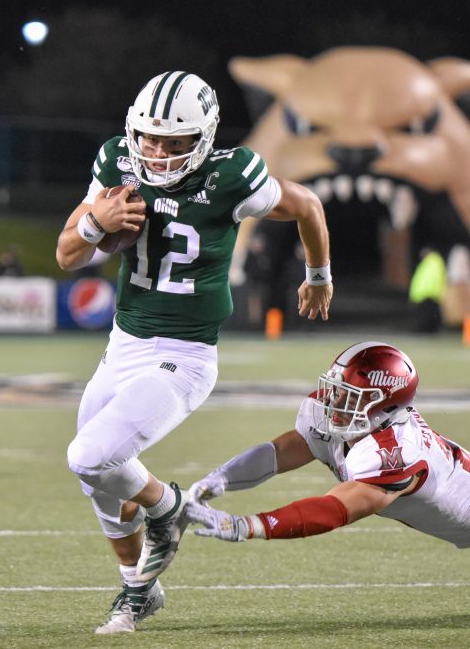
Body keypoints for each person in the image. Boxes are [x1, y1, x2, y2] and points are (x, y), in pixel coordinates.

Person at [55, 71, 332, 634]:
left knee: (88, 456)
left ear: (202, 139)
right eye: (149, 138)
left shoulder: (233, 175)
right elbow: (66, 257)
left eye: (175, 142)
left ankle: (167, 507)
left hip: (184, 355)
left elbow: (307, 204)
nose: (157, 153)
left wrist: (319, 274)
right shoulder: (116, 163)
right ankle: (139, 589)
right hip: (123, 344)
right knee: (98, 481)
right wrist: (94, 223)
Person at [184, 341, 470, 585]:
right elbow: (286, 449)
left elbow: (338, 508)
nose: (335, 401)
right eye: (337, 389)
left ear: (386, 404)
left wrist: (248, 526)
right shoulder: (344, 418)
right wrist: (219, 478)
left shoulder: (393, 451)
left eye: (350, 396)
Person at [408, 246, 446, 333]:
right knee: (427, 314)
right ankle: (427, 330)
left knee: (427, 315)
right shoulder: (430, 262)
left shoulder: (433, 262)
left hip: (427, 293)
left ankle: (427, 330)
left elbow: (430, 279)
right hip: (425, 293)